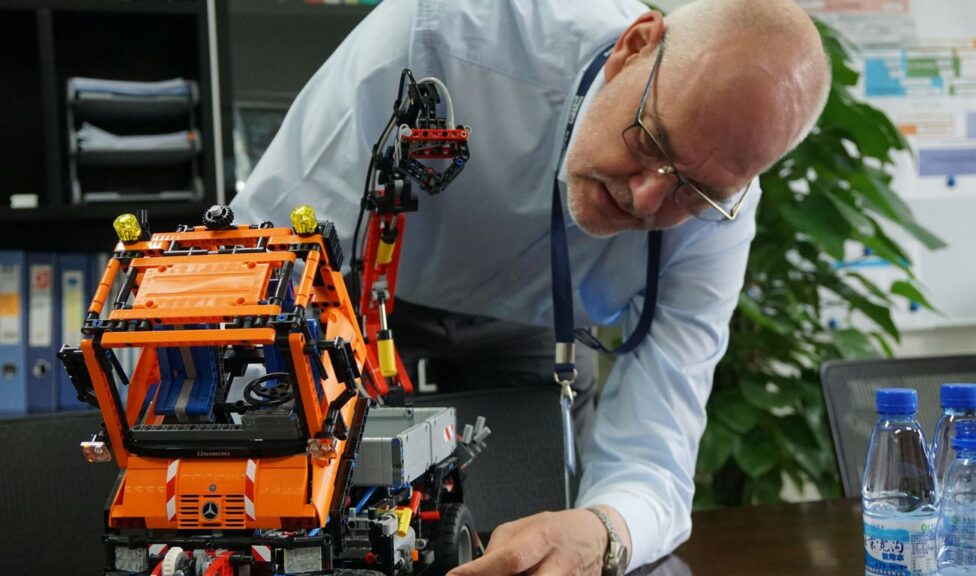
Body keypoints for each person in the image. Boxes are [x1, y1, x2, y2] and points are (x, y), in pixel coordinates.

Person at [231, 0, 831, 573]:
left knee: (529, 534)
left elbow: (655, 456)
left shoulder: (719, 211)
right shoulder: (441, 37)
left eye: (693, 191)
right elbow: (256, 270)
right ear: (634, 46)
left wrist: (604, 530)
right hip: (360, 300)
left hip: (539, 328)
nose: (646, 198)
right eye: (651, 141)